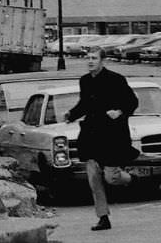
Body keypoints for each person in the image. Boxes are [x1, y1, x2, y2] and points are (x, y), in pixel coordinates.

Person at [64, 48, 140, 232]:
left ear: (102, 61)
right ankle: (103, 217)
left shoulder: (116, 79)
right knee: (93, 178)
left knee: (112, 177)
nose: (90, 61)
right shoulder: (85, 80)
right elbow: (84, 104)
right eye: (88, 58)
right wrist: (71, 114)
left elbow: (132, 101)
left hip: (112, 136)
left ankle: (131, 179)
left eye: (94, 58)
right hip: (91, 135)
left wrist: (119, 112)